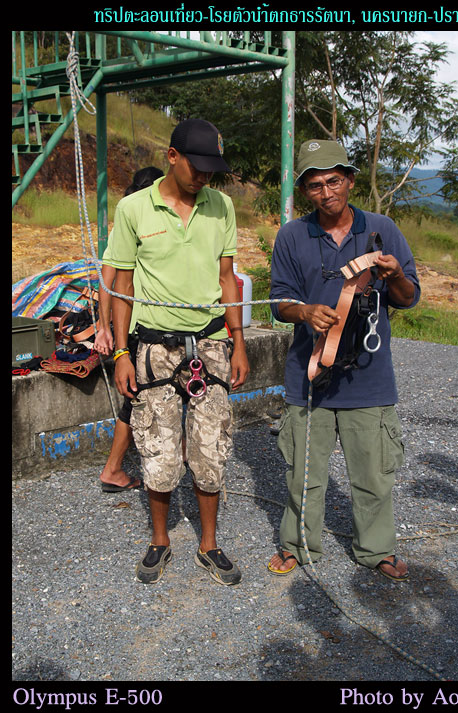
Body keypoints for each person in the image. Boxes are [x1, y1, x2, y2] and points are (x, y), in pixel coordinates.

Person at [267, 139, 420, 582]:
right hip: (309, 375)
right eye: (315, 185)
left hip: (369, 377)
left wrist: (393, 277)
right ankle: (298, 545)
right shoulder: (293, 235)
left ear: (350, 181)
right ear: (306, 192)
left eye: (334, 180)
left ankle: (376, 549)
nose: (326, 191)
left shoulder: (381, 229)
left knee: (373, 473)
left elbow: (409, 298)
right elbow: (279, 302)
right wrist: (305, 312)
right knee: (304, 472)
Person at [109, 119, 250, 585]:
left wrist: (238, 343)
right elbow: (122, 285)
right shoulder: (133, 209)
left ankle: (209, 545)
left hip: (209, 344)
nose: (204, 176)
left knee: (211, 449)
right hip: (153, 346)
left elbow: (228, 276)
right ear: (172, 156)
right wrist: (121, 355)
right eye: (197, 166)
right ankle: (159, 540)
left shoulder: (222, 207)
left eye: (213, 168)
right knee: (159, 452)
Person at [95, 167, 164, 493]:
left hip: (149, 326)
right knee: (135, 399)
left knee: (143, 397)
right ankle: (113, 468)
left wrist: (103, 326)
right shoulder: (141, 222)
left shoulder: (130, 220)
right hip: (140, 329)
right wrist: (103, 327)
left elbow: (106, 280)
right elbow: (108, 281)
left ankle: (174, 455)